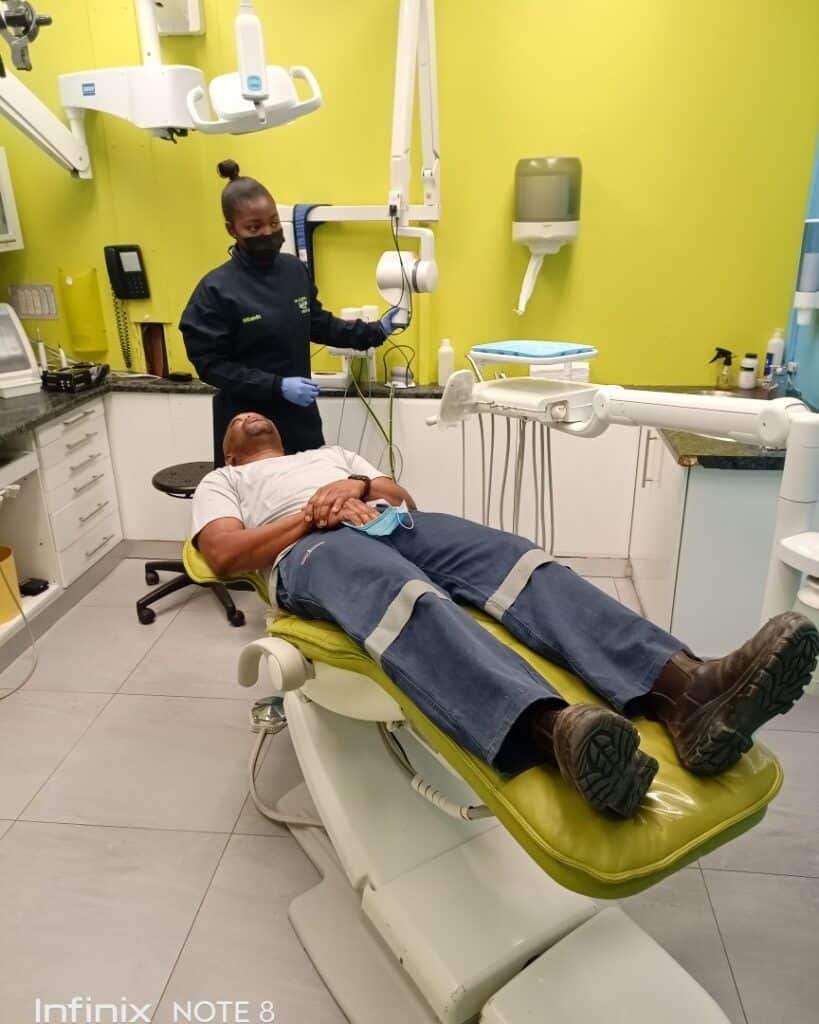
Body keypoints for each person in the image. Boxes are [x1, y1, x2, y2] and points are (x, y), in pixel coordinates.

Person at [193, 412, 819, 818]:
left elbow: (399, 496)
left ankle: (686, 694)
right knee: (407, 597)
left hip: (395, 522)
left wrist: (353, 488)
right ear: (231, 451)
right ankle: (555, 734)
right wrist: (315, 512)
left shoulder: (332, 452)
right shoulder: (223, 483)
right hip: (309, 550)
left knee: (516, 560)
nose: (250, 415)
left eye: (260, 414)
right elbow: (222, 555)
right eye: (239, 420)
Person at [180, 159, 403, 466]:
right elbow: (211, 365)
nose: (268, 232)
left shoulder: (294, 271)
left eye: (273, 223)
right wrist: (276, 386)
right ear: (232, 230)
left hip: (300, 420)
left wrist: (375, 331)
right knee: (260, 508)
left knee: (313, 499)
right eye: (254, 227)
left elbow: (317, 324)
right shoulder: (216, 290)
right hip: (248, 428)